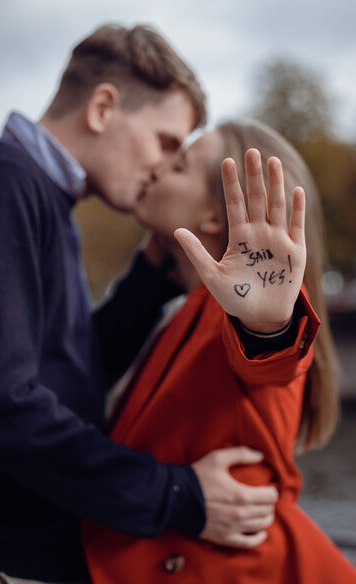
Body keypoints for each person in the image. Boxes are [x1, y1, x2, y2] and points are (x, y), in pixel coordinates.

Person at [0, 26, 278, 582]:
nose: (161, 167)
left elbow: (69, 373)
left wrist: (153, 275)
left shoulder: (45, 201)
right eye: (166, 142)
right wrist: (175, 494)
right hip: (0, 562)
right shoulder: (0, 178)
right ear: (103, 107)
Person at [82, 120, 356, 582]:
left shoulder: (232, 312)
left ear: (213, 214)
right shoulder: (187, 306)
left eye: (180, 164)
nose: (156, 170)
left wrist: (268, 325)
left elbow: (271, 369)